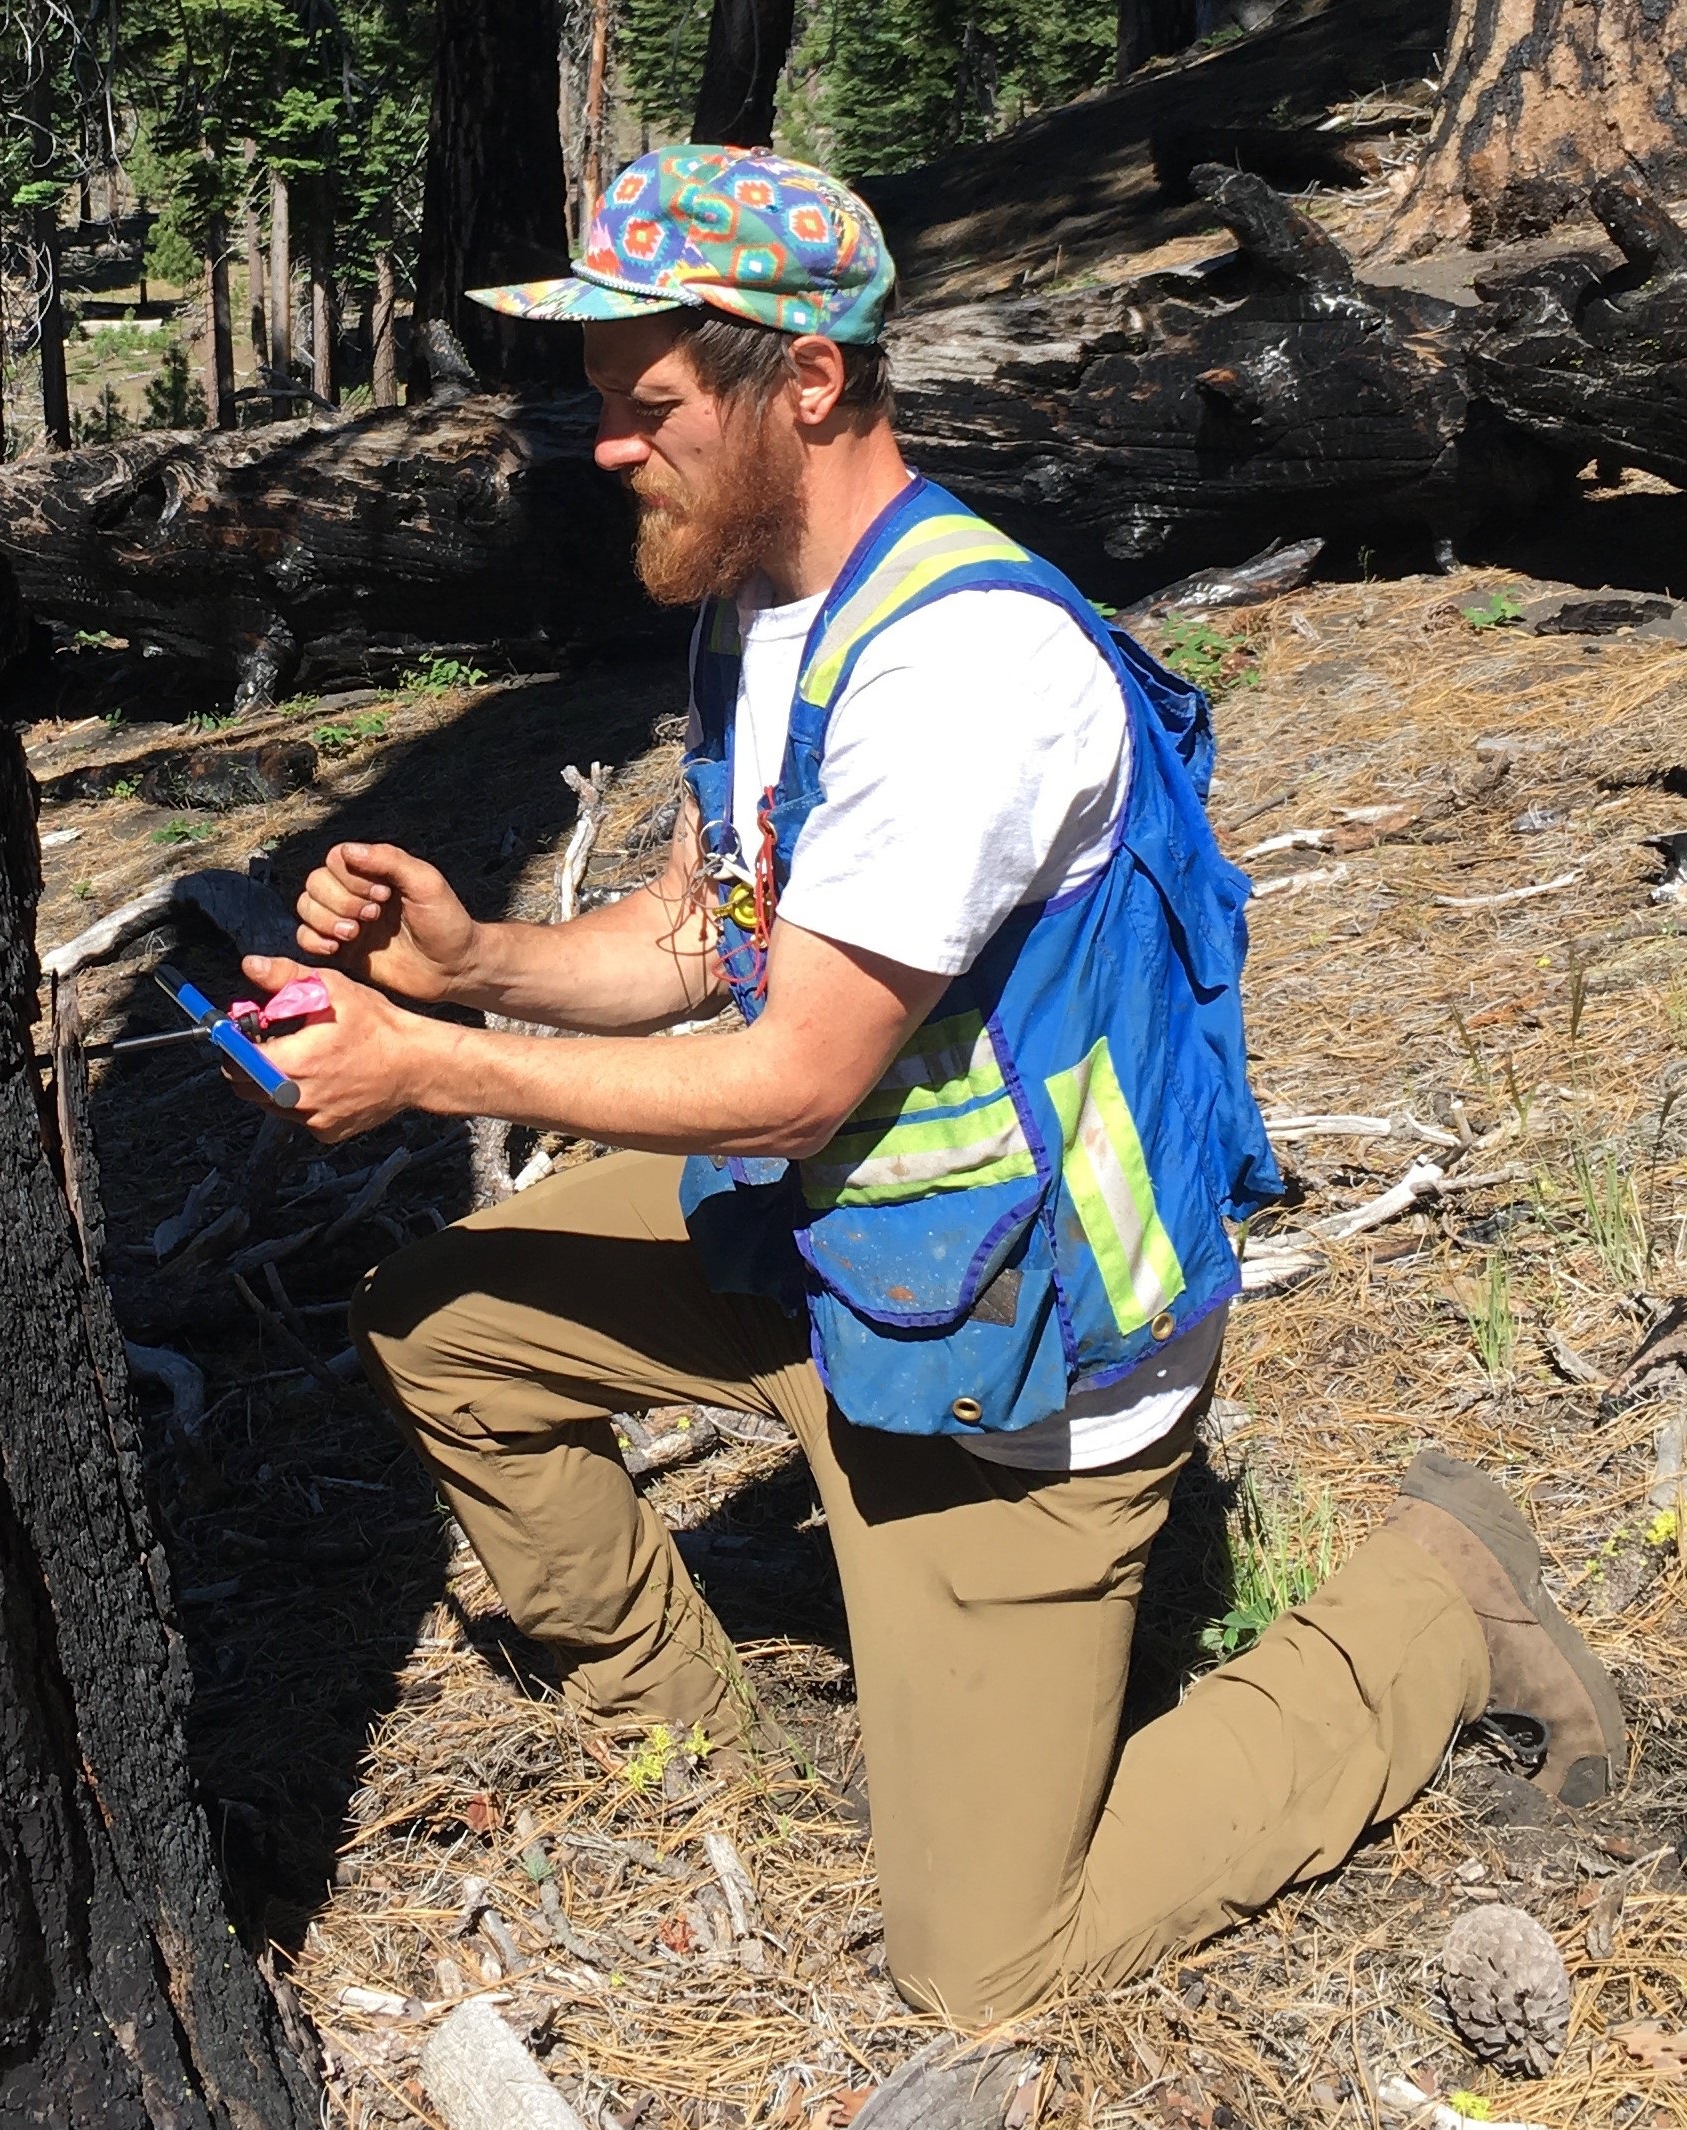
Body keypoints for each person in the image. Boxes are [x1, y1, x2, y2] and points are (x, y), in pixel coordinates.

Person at [237, 146, 1625, 2023]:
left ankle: (1436, 1602)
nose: (604, 449)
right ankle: (696, 1736)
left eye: (645, 403)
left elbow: (797, 1076)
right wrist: (474, 961)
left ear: (802, 378)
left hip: (1024, 1343)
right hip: (848, 1252)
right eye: (597, 403)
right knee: (449, 1322)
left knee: (988, 1966)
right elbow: (696, 944)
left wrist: (430, 1064)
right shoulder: (768, 605)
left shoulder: (962, 674)